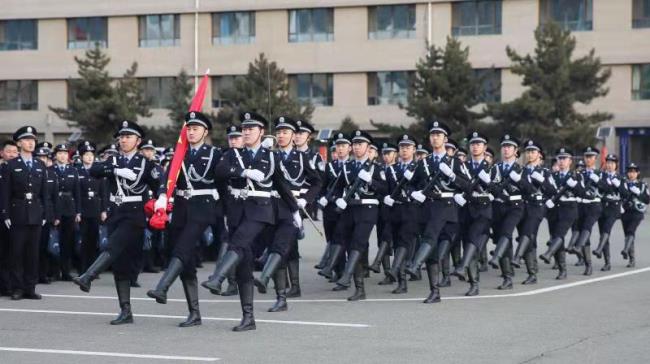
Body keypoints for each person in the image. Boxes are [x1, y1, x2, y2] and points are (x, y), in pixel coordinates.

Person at [201, 112, 301, 331]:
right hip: (237, 210)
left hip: (261, 211)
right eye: (244, 128)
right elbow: (220, 173)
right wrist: (244, 171)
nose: (246, 132)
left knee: (238, 242)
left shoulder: (271, 156)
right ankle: (249, 318)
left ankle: (217, 278)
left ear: (261, 132)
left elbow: (282, 186)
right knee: (244, 266)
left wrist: (294, 211)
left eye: (251, 128)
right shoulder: (233, 155)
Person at [72, 120, 161, 325]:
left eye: (128, 137)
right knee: (121, 265)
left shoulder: (146, 164)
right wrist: (116, 171)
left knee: (113, 245)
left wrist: (162, 202)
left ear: (138, 141)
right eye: (121, 137)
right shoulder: (114, 160)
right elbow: (93, 170)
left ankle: (88, 276)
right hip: (116, 213)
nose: (123, 140)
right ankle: (126, 311)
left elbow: (160, 185)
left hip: (135, 215)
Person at [147, 112, 222, 327]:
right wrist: (162, 196)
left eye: (196, 128)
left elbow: (224, 178)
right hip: (180, 209)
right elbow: (167, 178)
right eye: (188, 128)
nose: (191, 132)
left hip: (202, 208)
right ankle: (194, 313)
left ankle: (163, 287)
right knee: (185, 261)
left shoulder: (214, 154)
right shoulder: (179, 154)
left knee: (184, 246)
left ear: (205, 132)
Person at [254, 116, 321, 312]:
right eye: (279, 132)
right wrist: (262, 151)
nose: (281, 136)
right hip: (270, 206)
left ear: (293, 135)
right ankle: (280, 296)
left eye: (285, 132)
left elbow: (317, 182)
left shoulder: (302, 157)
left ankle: (273, 287)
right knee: (277, 248)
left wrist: (306, 199)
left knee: (282, 247)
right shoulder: (269, 155)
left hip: (290, 207)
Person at [406, 122, 470, 302]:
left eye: (438, 135)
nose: (434, 138)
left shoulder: (455, 162)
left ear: (445, 139)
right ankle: (434, 291)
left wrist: (451, 175)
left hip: (446, 207)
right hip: (427, 208)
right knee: (432, 251)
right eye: (432, 135)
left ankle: (414, 265)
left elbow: (468, 185)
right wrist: (414, 193)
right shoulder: (423, 162)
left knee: (430, 237)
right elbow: (411, 184)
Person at [325, 130, 388, 301]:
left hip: (368, 209)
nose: (357, 147)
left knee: (358, 242)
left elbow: (385, 189)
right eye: (355, 144)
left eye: (361, 144)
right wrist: (337, 199)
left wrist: (370, 181)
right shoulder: (348, 167)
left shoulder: (376, 167)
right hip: (350, 208)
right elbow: (337, 187)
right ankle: (357, 287)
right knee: (340, 237)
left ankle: (347, 276)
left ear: (368, 148)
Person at [1, 126, 49, 300]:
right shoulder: (10, 166)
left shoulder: (40, 165)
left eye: (33, 140)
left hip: (36, 213)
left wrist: (45, 214)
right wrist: (5, 214)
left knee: (32, 253)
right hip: (17, 213)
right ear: (19, 143)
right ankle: (17, 288)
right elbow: (5, 192)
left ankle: (30, 287)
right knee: (16, 253)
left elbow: (45, 193)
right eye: (27, 140)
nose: (31, 143)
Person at [511, 139, 556, 285]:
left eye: (533, 151)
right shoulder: (521, 170)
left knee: (528, 232)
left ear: (539, 154)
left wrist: (542, 180)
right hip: (523, 206)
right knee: (530, 238)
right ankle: (532, 272)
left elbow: (552, 191)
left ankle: (517, 257)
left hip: (537, 207)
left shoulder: (545, 172)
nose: (530, 154)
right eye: (528, 151)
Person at [539, 148, 584, 280]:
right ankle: (562, 268)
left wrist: (574, 185)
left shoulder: (576, 176)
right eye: (560, 158)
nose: (562, 161)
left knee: (559, 234)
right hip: (554, 210)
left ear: (570, 161)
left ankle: (548, 253)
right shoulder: (553, 176)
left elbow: (582, 193)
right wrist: (547, 201)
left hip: (569, 209)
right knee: (557, 239)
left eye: (564, 159)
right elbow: (546, 191)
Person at [487, 134, 526, 290]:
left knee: (507, 232)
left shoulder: (521, 170)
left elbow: (529, 190)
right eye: (504, 146)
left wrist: (519, 180)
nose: (506, 149)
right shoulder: (495, 168)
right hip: (498, 206)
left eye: (509, 146)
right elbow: (490, 186)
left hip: (515, 206)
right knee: (501, 239)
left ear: (516, 150)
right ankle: (507, 276)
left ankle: (497, 258)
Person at [76, 141, 107, 274]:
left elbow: (103, 192)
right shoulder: (77, 170)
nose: (89, 157)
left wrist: (104, 210)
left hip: (95, 208)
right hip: (83, 208)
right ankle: (82, 268)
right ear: (81, 156)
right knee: (83, 240)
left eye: (91, 155)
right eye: (86, 155)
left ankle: (93, 270)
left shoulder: (98, 170)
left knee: (94, 240)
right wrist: (77, 211)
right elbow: (75, 193)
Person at [52, 143, 81, 281]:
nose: (62, 156)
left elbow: (77, 192)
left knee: (67, 241)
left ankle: (65, 271)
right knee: (53, 241)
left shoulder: (73, 171)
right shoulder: (50, 170)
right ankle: (53, 271)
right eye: (60, 153)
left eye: (65, 153)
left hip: (69, 208)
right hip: (55, 208)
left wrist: (78, 212)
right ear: (55, 155)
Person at [592, 154, 624, 271]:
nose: (610, 165)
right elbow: (599, 188)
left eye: (612, 163)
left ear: (616, 165)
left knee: (607, 230)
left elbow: (624, 193)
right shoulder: (602, 176)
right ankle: (607, 262)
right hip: (602, 207)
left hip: (613, 208)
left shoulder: (620, 178)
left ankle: (599, 249)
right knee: (603, 234)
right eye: (608, 163)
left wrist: (618, 185)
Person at [620, 163, 649, 268]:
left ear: (638, 173)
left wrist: (638, 193)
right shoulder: (624, 183)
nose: (631, 174)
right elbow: (620, 195)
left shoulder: (642, 185)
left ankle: (625, 250)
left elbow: (647, 199)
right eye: (629, 172)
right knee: (628, 234)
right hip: (625, 212)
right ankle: (631, 258)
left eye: (633, 172)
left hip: (637, 212)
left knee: (631, 230)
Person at [0, 140, 19, 295]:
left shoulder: (19, 171)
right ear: (2, 153)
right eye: (9, 151)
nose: (12, 154)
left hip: (10, 216)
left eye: (15, 152)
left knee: (9, 251)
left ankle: (7, 285)